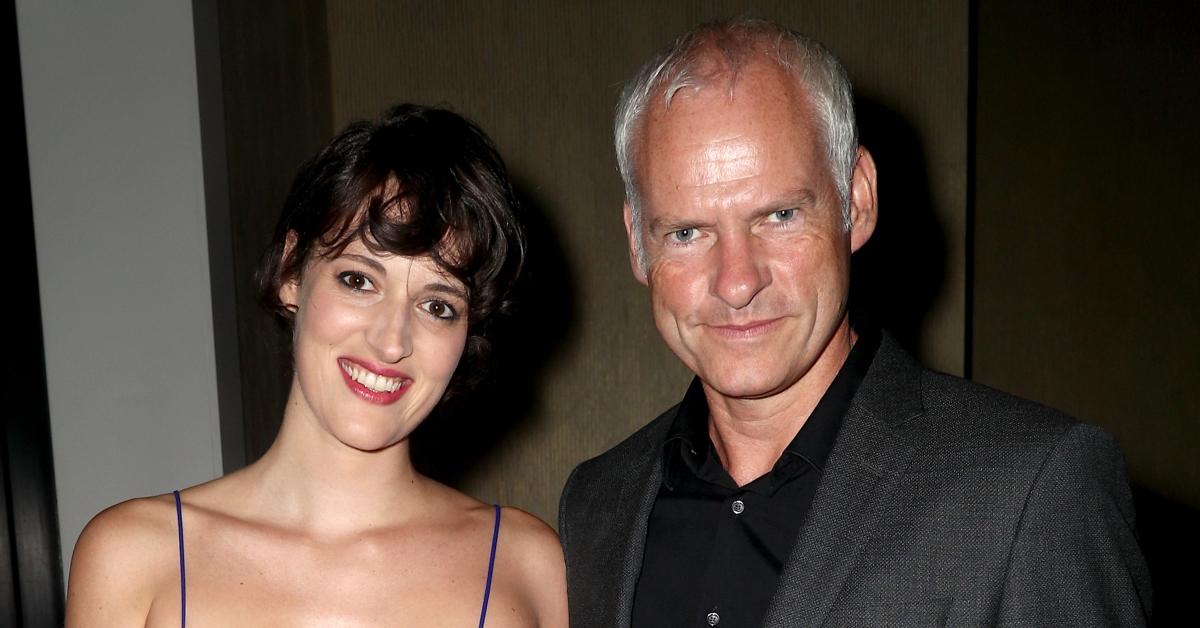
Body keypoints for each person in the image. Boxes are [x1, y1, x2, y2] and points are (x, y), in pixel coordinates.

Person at [559, 18, 1151, 627]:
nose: (737, 281)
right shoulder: (598, 503)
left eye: (779, 215)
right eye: (687, 232)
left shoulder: (1032, 490)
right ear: (638, 243)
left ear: (857, 199)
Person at [66, 104, 568, 627]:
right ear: (291, 273)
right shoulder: (136, 557)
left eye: (437, 305)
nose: (391, 341)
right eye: (359, 280)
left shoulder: (526, 564)